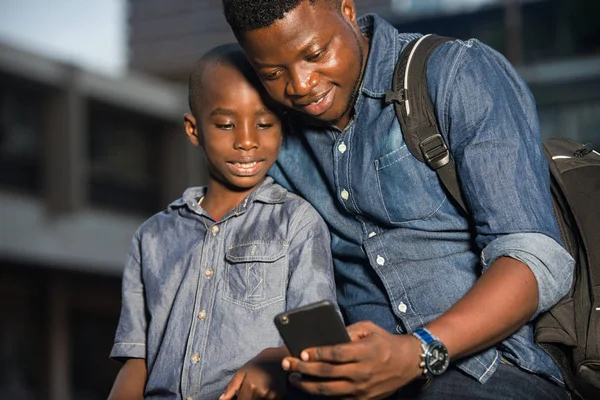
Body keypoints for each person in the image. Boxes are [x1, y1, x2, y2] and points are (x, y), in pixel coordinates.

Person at [220, 0, 576, 399]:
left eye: (316, 54)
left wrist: (419, 351)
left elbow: (533, 258)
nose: (301, 85)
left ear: (347, 10)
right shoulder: (274, 137)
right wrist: (279, 359)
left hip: (492, 373)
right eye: (272, 73)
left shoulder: (454, 74)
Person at [106, 43, 338, 400]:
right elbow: (136, 361)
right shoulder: (151, 237)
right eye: (226, 124)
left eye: (264, 123)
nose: (247, 141)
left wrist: (274, 362)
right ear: (194, 129)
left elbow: (318, 346)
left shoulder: (298, 223)